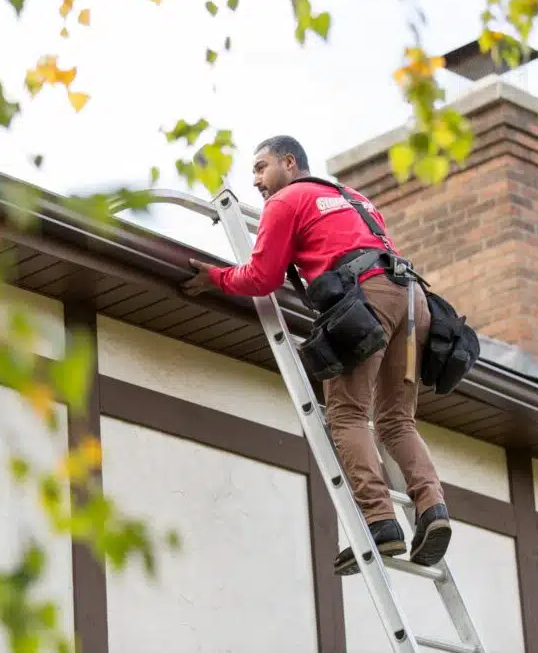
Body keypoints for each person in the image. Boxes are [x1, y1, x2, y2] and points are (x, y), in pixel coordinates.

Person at [181, 135, 451, 572]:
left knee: (346, 414)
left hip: (370, 297)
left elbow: (262, 277)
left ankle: (381, 522)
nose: (255, 181)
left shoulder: (286, 202)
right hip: (415, 300)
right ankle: (433, 508)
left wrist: (215, 278)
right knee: (397, 420)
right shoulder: (352, 197)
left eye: (261, 167)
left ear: (289, 163)